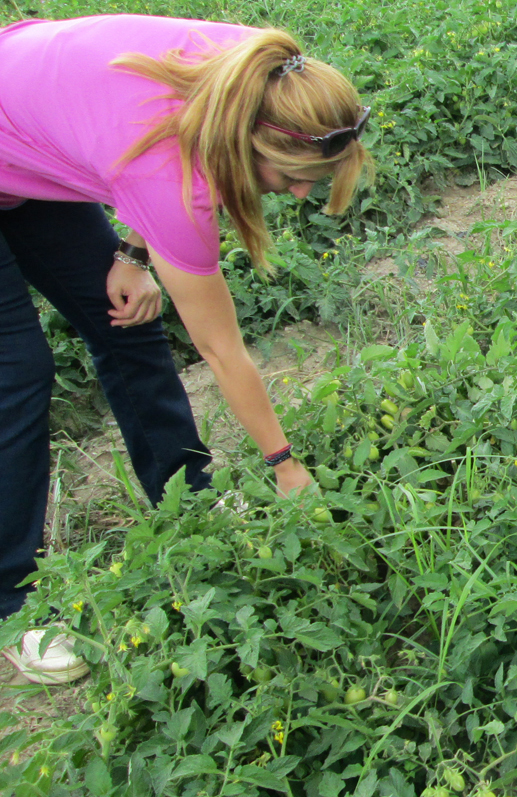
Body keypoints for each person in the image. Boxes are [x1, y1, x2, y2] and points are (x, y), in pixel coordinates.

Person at [0, 14, 372, 683]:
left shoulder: (257, 69)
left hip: (28, 136)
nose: (300, 192)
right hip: (16, 123)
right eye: (292, 176)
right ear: (246, 142)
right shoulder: (174, 176)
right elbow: (221, 348)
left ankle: (187, 498)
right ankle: (12, 603)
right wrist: (285, 465)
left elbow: (132, 138)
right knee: (17, 370)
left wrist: (132, 252)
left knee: (125, 321)